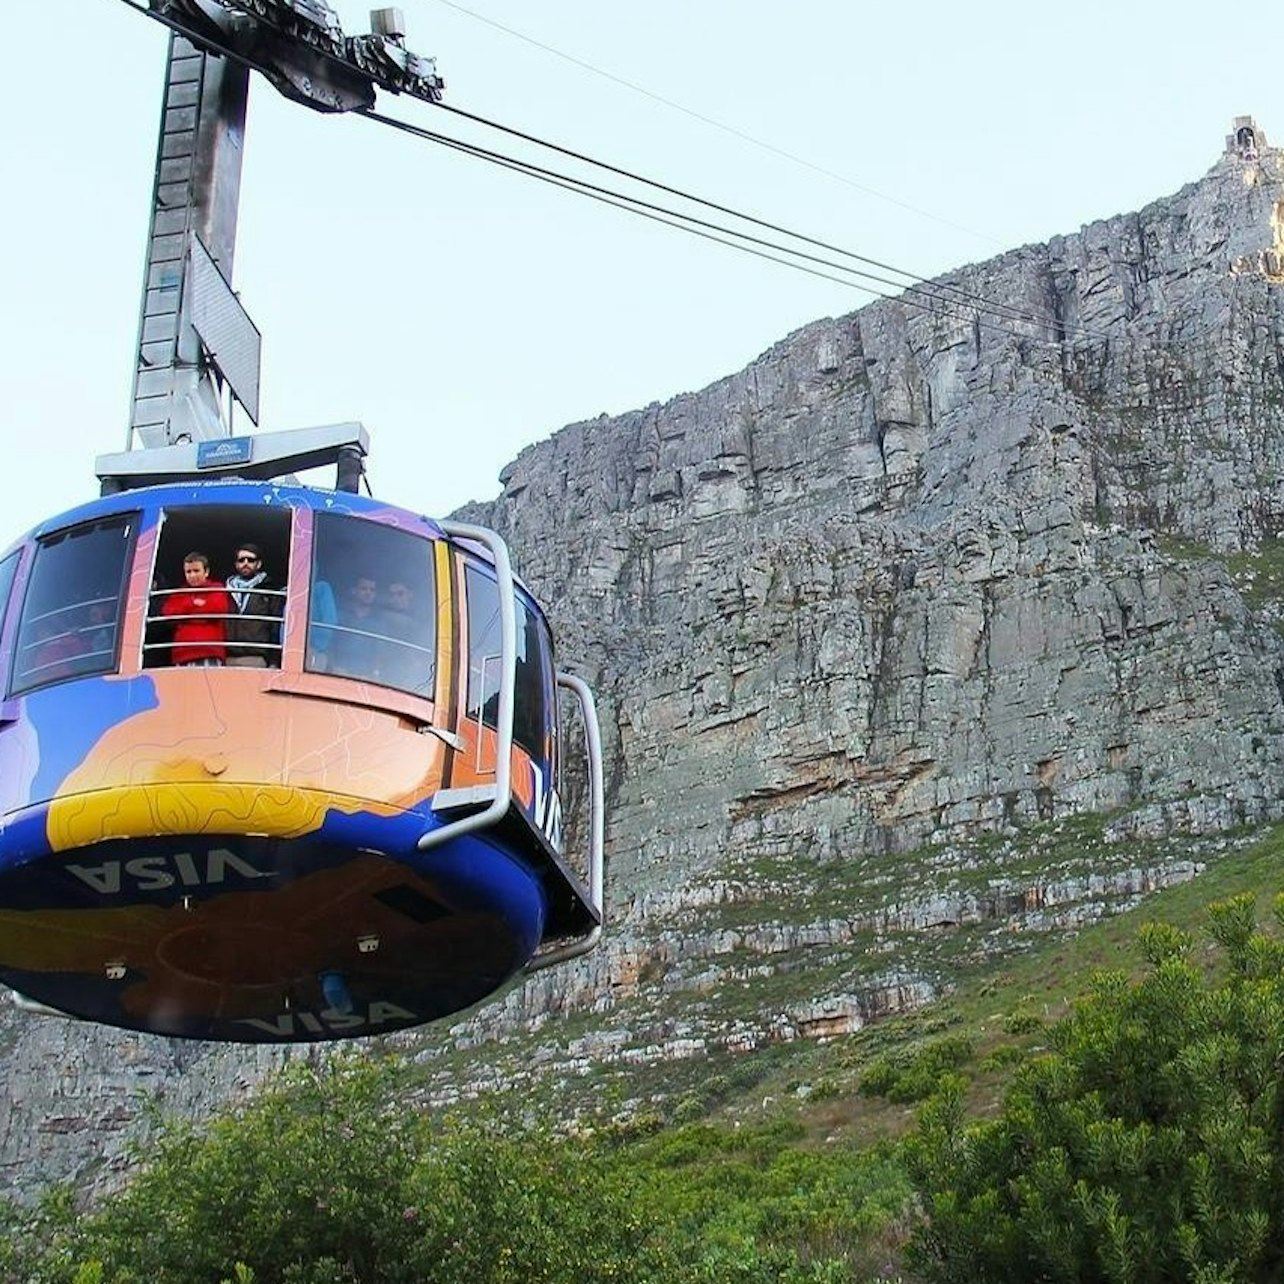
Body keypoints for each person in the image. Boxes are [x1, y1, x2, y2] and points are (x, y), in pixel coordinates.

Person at [161, 552, 231, 667]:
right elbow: (167, 613)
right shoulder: (180, 592)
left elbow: (218, 610)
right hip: (182, 655)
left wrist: (185, 617)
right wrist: (193, 604)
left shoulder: (216, 588)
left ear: (206, 572)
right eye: (188, 572)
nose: (192, 575)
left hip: (209, 652)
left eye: (196, 571)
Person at [225, 543, 282, 669]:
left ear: (259, 564)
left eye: (251, 560)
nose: (245, 563)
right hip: (227, 657)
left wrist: (274, 661)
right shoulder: (225, 591)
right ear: (236, 564)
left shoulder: (270, 591)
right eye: (241, 560)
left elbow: (275, 627)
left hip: (256, 657)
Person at [330, 574, 386, 681]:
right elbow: (330, 644)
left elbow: (380, 652)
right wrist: (333, 667)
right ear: (354, 591)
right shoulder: (340, 616)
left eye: (372, 590)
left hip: (365, 678)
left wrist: (373, 675)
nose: (368, 593)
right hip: (338, 674)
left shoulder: (378, 623)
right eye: (364, 589)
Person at [382, 579, 433, 696]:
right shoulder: (381, 620)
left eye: (400, 594)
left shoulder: (424, 623)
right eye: (392, 595)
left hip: (413, 684)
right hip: (385, 677)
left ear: (410, 595)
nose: (395, 598)